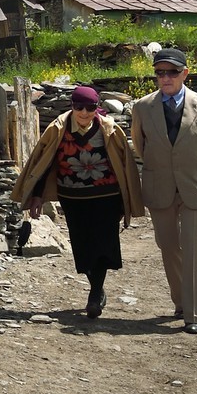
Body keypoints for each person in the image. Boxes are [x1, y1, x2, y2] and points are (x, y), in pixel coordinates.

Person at [11, 84, 143, 319]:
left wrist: (127, 199)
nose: (84, 112)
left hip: (106, 196)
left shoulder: (109, 129)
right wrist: (37, 195)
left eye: (90, 108)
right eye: (79, 107)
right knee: (82, 245)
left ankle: (95, 294)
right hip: (73, 197)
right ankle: (97, 288)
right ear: (72, 106)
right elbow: (44, 162)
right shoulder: (58, 129)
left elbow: (124, 165)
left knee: (103, 243)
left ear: (96, 107)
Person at [129, 47, 197, 335]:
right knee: (169, 247)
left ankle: (195, 314)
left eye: (172, 72)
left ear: (185, 73)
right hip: (160, 187)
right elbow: (140, 146)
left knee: (194, 249)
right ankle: (181, 301)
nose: (166, 77)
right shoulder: (142, 107)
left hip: (195, 186)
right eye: (160, 72)